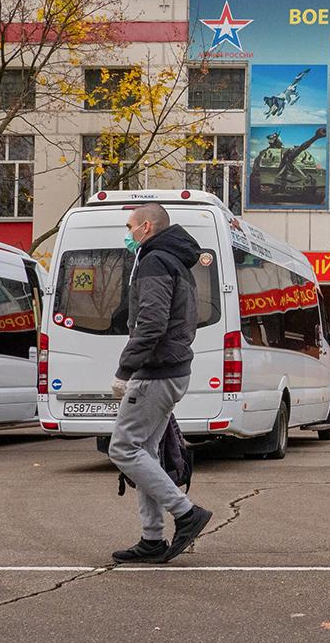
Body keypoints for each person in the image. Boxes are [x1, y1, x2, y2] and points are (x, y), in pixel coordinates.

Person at [108, 203, 213, 564]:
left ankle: (186, 513)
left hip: (156, 372)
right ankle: (152, 539)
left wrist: (125, 370)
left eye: (130, 226)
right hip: (173, 368)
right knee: (146, 453)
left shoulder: (154, 261)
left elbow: (151, 324)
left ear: (146, 226)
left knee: (122, 449)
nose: (127, 233)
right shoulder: (175, 262)